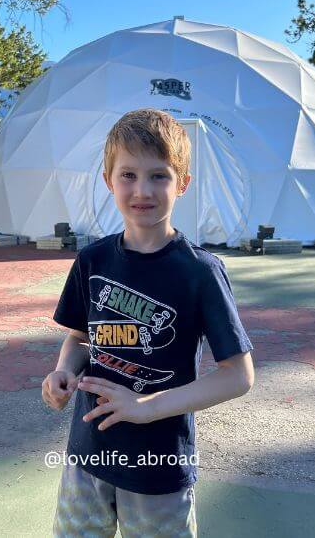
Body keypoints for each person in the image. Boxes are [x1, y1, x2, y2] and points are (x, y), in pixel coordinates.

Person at [42, 108, 254, 537]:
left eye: (159, 176)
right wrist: (64, 371)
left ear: (183, 184)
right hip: (89, 455)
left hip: (158, 465)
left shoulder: (200, 271)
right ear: (109, 180)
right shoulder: (92, 260)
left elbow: (238, 376)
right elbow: (81, 338)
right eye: (128, 175)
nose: (143, 190)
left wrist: (147, 408)